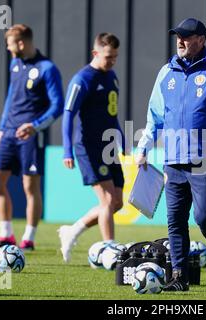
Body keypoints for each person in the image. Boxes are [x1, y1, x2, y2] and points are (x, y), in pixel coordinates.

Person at [136, 18, 206, 291]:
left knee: (203, 215)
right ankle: (179, 278)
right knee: (175, 220)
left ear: (201, 39)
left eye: (186, 36)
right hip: (173, 158)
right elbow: (155, 116)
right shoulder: (166, 72)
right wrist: (143, 149)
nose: (180, 41)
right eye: (178, 36)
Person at [0, 24, 64, 251]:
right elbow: (11, 98)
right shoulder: (15, 64)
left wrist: (35, 126)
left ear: (21, 43)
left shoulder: (48, 68)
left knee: (30, 186)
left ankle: (28, 239)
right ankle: (6, 235)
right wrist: (1, 128)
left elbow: (57, 106)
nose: (8, 50)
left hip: (31, 137)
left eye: (10, 45)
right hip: (8, 133)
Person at [58, 33, 128, 263]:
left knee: (117, 202)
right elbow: (68, 114)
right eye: (108, 57)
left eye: (115, 57)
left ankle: (72, 230)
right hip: (89, 147)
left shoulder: (113, 77)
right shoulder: (83, 79)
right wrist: (67, 150)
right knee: (107, 200)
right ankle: (110, 250)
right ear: (95, 53)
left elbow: (112, 113)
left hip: (109, 146)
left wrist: (123, 139)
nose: (112, 61)